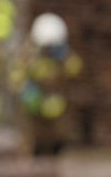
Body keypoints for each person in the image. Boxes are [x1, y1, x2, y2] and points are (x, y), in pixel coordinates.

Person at [11, 12, 83, 156]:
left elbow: (76, 69)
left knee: (58, 132)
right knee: (32, 132)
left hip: (54, 100)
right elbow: (16, 75)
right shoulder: (28, 53)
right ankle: (32, 153)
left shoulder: (62, 54)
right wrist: (26, 89)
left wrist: (65, 57)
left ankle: (55, 150)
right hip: (34, 102)